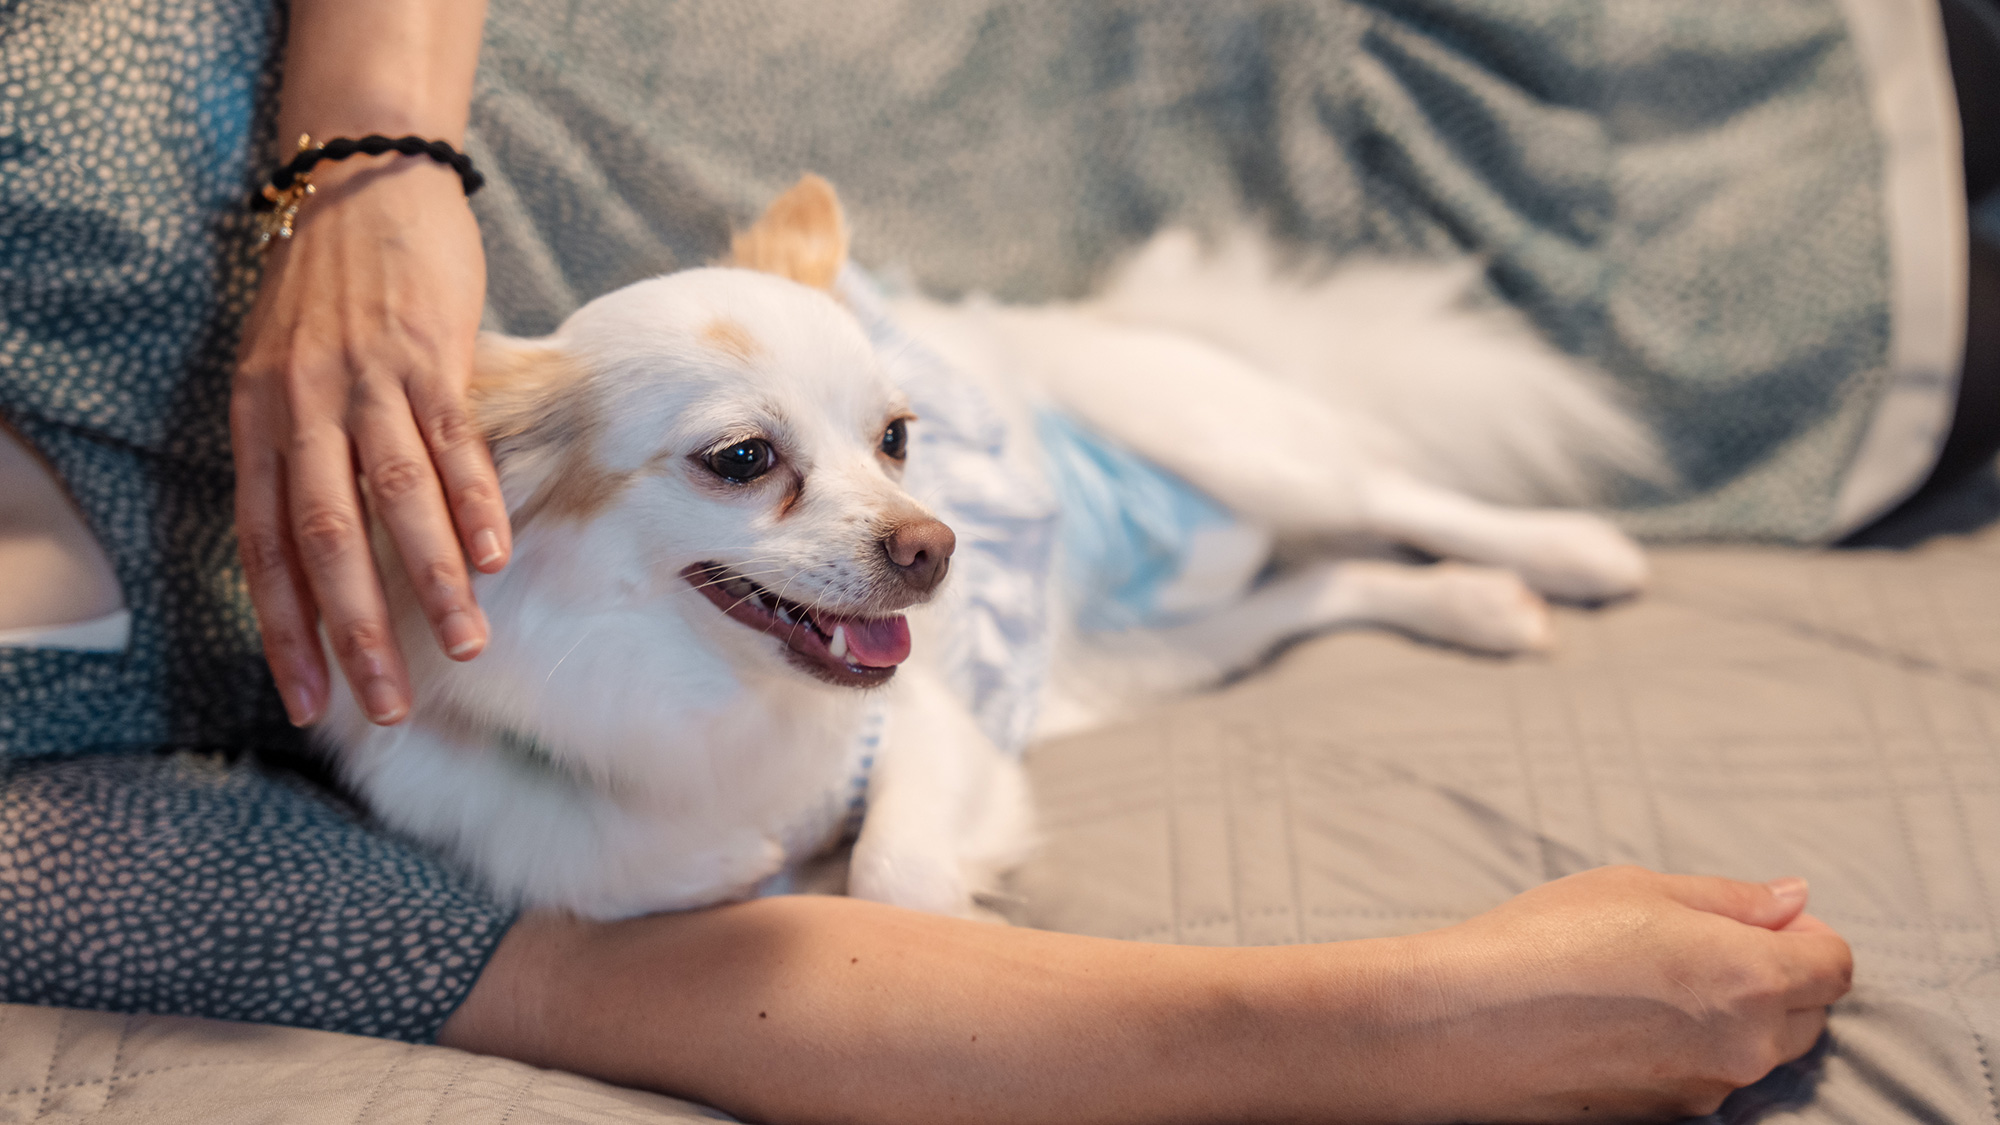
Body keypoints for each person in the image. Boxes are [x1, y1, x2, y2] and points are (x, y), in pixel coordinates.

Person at [0, 0, 1881, 1120]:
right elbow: (625, 979)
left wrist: (371, 158)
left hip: (881, 247)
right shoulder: (46, 832)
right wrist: (1433, 1020)